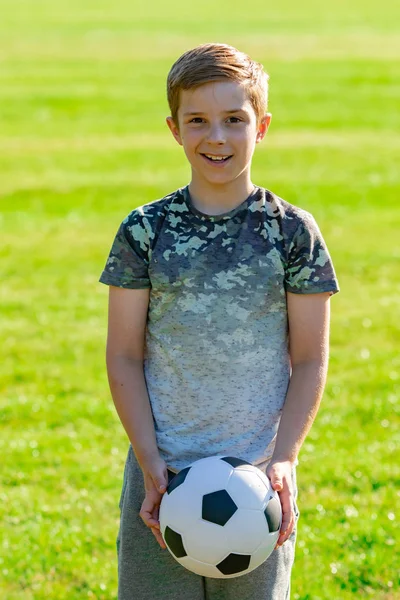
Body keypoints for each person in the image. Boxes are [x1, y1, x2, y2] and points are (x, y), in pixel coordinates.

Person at [99, 43, 339, 600]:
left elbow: (309, 359)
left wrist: (284, 458)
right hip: (162, 472)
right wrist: (150, 460)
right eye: (198, 121)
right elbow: (124, 356)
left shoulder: (292, 233)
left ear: (262, 126)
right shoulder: (145, 230)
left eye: (235, 119)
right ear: (174, 129)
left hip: (258, 481)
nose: (217, 137)